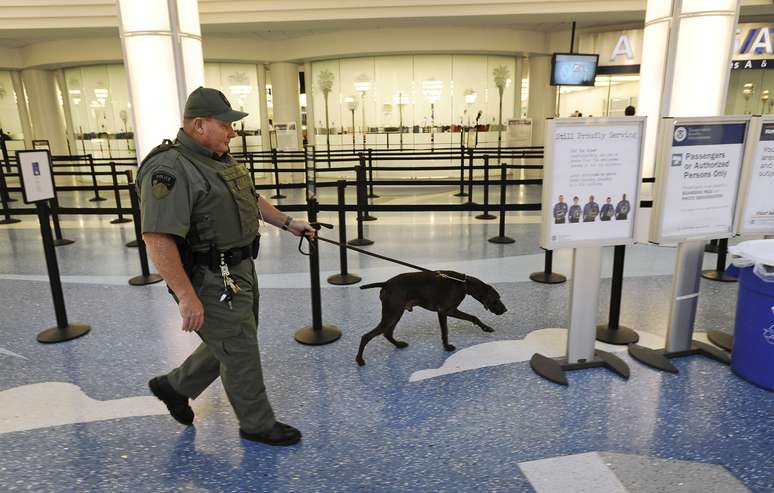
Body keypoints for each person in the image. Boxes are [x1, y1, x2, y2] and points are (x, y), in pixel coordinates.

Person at [138, 87, 315, 446]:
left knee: (235, 339)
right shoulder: (170, 168)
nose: (233, 132)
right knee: (241, 350)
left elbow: (249, 197)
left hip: (240, 269)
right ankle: (257, 424)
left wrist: (287, 222)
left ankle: (174, 386)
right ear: (199, 125)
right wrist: (187, 296)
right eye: (226, 125)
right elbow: (157, 238)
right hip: (209, 276)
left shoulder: (217, 157)